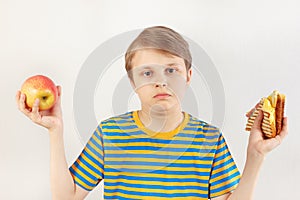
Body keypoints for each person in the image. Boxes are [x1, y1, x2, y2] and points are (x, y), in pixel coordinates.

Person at [16, 26, 288, 200]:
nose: (161, 81)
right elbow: (67, 197)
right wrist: (55, 131)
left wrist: (255, 156)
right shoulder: (110, 135)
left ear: (188, 76)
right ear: (133, 83)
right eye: (147, 73)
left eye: (172, 70)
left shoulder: (209, 140)